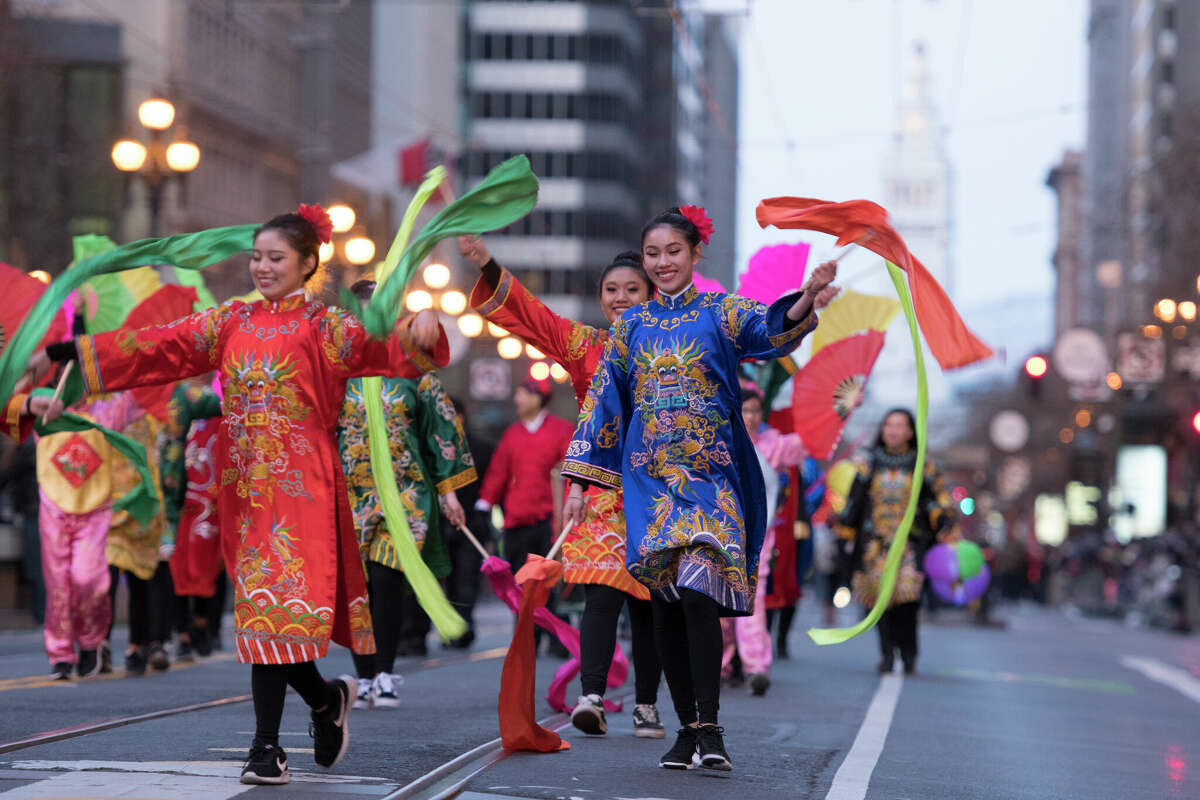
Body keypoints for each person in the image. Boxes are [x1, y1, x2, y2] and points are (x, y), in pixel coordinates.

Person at [26, 204, 447, 785]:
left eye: (276, 258)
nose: (262, 267)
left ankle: (265, 748)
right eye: (256, 256)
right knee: (262, 623)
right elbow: (159, 346)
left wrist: (418, 330)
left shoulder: (326, 327)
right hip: (245, 492)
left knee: (278, 617)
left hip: (303, 493)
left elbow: (382, 347)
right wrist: (72, 353)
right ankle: (325, 702)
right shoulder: (230, 321)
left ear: (308, 265)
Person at [562, 205, 837, 772]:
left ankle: (710, 728)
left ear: (694, 255)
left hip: (712, 482)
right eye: (653, 254)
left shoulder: (718, 311)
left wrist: (807, 296)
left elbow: (768, 328)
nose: (662, 263)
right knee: (664, 604)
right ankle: (686, 729)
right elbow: (601, 403)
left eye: (673, 252)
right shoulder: (629, 328)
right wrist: (580, 480)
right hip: (649, 483)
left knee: (696, 595)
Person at [460, 236, 665, 738]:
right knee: (599, 594)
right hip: (598, 491)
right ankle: (591, 695)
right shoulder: (585, 346)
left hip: (659, 491)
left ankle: (645, 704)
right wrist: (489, 265)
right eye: (611, 289)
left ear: (652, 293)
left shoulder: (675, 348)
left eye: (631, 289)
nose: (619, 297)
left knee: (648, 604)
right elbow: (535, 316)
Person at [338, 279, 475, 709]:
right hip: (351, 493)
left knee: (388, 580)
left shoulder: (415, 371)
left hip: (405, 494)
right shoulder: (336, 372)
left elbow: (441, 429)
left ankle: (384, 672)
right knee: (359, 588)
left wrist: (450, 492)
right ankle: (361, 675)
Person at [838, 408, 955, 675]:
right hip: (875, 545)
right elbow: (854, 501)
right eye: (888, 425)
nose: (893, 430)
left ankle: (909, 649)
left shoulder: (922, 464)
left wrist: (944, 518)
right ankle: (887, 652)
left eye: (899, 425)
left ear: (911, 432)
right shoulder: (868, 463)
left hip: (910, 546)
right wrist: (845, 531)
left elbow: (937, 499)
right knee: (880, 600)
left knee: (907, 600)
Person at [476, 378, 572, 579]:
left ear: (536, 399)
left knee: (546, 580)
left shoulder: (562, 430)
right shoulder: (512, 434)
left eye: (521, 394)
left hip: (549, 520)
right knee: (519, 578)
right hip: (516, 519)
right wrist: (485, 503)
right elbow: (498, 472)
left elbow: (570, 472)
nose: (516, 400)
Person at [103, 392, 170, 674]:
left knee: (141, 575)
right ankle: (100, 644)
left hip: (143, 501)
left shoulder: (153, 403)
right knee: (106, 576)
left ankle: (138, 645)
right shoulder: (100, 401)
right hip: (109, 501)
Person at [159, 378, 225, 661]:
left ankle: (202, 624)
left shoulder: (218, 402)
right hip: (178, 498)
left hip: (211, 498)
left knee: (209, 563)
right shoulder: (174, 397)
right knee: (177, 563)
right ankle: (182, 632)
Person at [443, 396, 494, 650]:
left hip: (469, 525)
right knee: (454, 579)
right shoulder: (437, 448)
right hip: (450, 525)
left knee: (464, 578)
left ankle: (462, 627)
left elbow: (492, 486)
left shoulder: (481, 449)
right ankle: (455, 627)